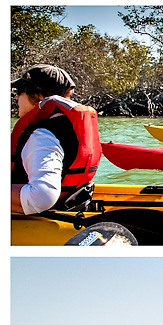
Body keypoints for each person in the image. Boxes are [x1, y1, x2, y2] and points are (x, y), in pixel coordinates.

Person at [11, 64, 101, 214]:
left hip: (38, 219)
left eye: (20, 91)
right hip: (69, 206)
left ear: (37, 95)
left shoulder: (41, 136)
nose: (16, 97)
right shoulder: (63, 126)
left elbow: (42, 197)